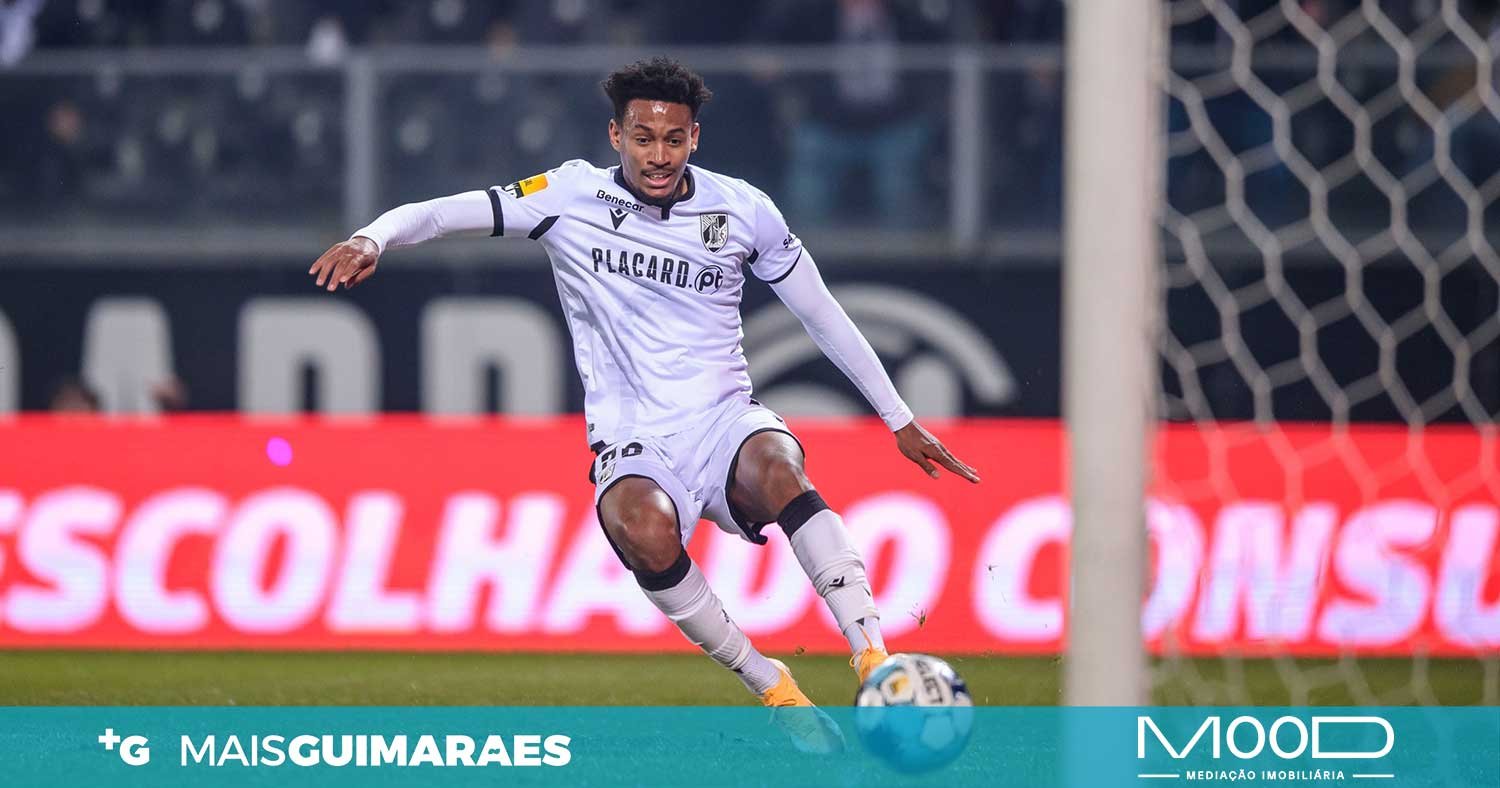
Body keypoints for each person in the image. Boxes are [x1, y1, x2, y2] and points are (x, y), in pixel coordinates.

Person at [308, 57, 979, 751]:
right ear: (616, 136)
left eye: (674, 139)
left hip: (725, 420)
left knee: (780, 466)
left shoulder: (743, 209)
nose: (659, 155)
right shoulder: (568, 195)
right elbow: (443, 213)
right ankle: (774, 686)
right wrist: (372, 237)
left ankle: (874, 657)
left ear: (695, 138)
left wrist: (898, 417)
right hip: (634, 439)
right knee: (643, 529)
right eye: (643, 138)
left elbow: (821, 313)